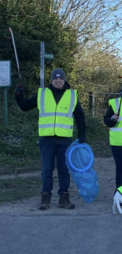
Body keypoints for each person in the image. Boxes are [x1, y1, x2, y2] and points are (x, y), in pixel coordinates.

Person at [15, 68, 86, 210]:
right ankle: (45, 198)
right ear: (51, 80)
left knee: (64, 169)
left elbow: (80, 116)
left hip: (65, 139)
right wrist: (19, 94)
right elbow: (25, 106)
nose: (58, 80)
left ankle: (64, 198)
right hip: (46, 139)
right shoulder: (42, 94)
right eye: (55, 78)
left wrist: (82, 136)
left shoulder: (72, 95)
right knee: (46, 169)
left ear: (64, 80)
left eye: (61, 78)